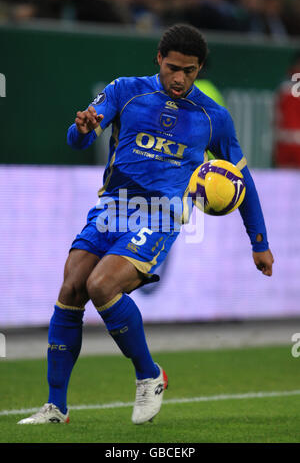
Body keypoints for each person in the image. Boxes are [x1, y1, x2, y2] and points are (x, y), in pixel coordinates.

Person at [18, 24, 274, 425]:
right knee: (71, 288)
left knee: (101, 285)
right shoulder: (126, 90)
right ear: (159, 59)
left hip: (161, 215)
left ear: (199, 68)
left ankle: (149, 375)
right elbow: (79, 137)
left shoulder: (214, 117)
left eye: (189, 71)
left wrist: (258, 241)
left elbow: (243, 180)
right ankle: (56, 407)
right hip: (112, 207)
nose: (179, 78)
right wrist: (82, 128)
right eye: (173, 68)